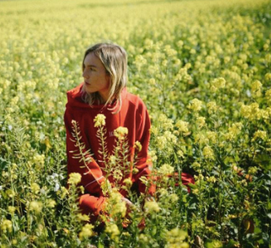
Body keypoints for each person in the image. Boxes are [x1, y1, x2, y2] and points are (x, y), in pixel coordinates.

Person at [64, 42, 194, 223]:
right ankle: (137, 220)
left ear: (112, 73)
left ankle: (134, 215)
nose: (84, 74)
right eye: (84, 67)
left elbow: (142, 158)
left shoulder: (135, 105)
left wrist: (148, 193)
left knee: (186, 183)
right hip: (96, 190)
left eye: (92, 69)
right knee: (83, 205)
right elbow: (81, 162)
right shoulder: (76, 109)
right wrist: (113, 197)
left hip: (129, 182)